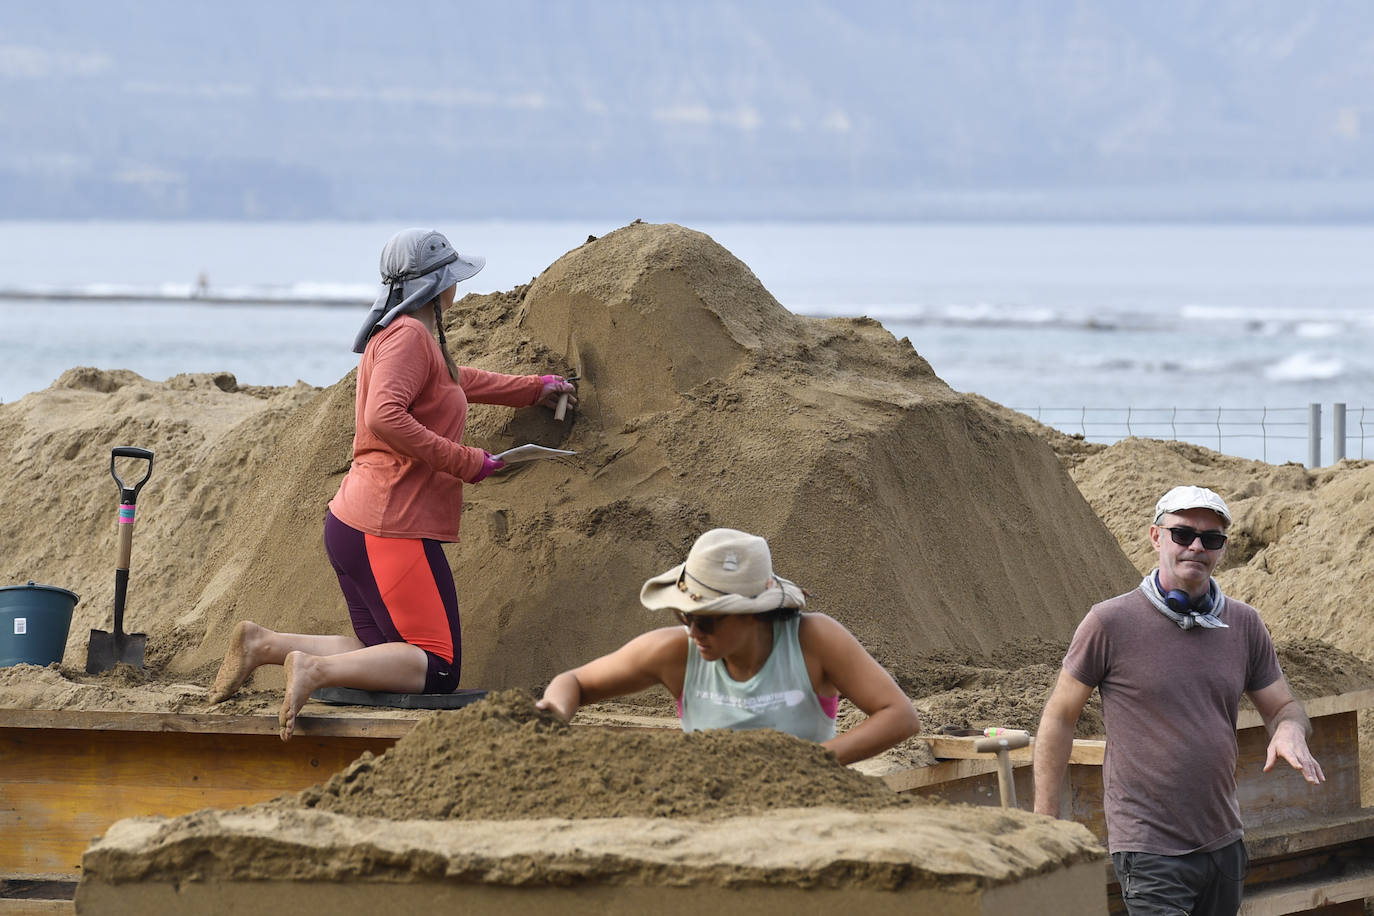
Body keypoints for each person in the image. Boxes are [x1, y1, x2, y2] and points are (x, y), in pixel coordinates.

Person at [210, 228, 576, 741]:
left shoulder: (410, 334)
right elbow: (384, 416)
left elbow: (456, 381)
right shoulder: (409, 336)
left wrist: (534, 389)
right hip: (391, 527)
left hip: (357, 524)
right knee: (437, 667)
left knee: (388, 657)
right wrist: (468, 461)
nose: (459, 287)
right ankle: (312, 670)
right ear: (438, 285)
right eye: (453, 278)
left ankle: (263, 646)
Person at [1032, 485, 1324, 916]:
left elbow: (1284, 706)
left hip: (1224, 845)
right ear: (1156, 537)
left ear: (1222, 549)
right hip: (1150, 849)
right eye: (1182, 534)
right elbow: (1059, 716)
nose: (1195, 547)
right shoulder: (1109, 622)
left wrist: (1290, 730)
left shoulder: (1243, 623)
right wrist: (1046, 821)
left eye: (1211, 539)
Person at [536, 528, 921, 764]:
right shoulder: (674, 653)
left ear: (754, 613)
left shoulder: (814, 641)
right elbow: (573, 683)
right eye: (684, 617)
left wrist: (809, 763)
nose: (692, 631)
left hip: (804, 821)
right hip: (711, 819)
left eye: (705, 620)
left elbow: (900, 715)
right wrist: (549, 716)